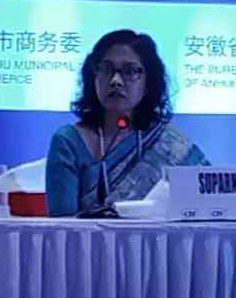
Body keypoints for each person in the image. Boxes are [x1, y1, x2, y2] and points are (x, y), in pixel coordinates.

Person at [45, 29, 207, 216]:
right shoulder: (68, 142)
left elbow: (210, 205)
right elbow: (61, 225)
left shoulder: (171, 145)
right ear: (93, 76)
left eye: (130, 71)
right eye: (106, 69)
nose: (115, 81)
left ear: (148, 84)